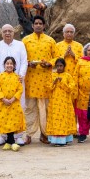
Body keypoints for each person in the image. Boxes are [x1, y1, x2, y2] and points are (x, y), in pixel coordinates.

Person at [0, 24, 28, 146]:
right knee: (2, 109)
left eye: (10, 31)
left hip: (16, 82)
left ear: (14, 32)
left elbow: (24, 62)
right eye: (5, 31)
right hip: (1, 83)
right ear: (1, 33)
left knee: (18, 110)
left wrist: (21, 75)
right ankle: (3, 135)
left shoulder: (20, 45)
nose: (7, 33)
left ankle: (18, 136)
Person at [22, 15, 57, 144]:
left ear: (44, 26)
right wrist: (27, 63)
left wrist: (49, 63)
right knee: (30, 108)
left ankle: (45, 134)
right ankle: (28, 135)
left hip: (45, 80)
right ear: (32, 26)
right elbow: (21, 58)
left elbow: (57, 58)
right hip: (30, 80)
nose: (38, 25)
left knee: (46, 108)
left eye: (40, 23)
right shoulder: (25, 40)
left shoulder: (50, 40)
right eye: (35, 23)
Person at [0, 57, 26, 152]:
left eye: (11, 64)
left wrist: (12, 99)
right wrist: (3, 99)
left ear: (14, 65)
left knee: (13, 121)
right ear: (4, 65)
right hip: (3, 103)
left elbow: (20, 89)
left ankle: (10, 142)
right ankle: (10, 142)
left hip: (14, 104)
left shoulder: (17, 77)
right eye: (7, 63)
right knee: (5, 121)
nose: (9, 65)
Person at [46, 58, 77, 146]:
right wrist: (54, 82)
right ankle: (55, 140)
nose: (59, 68)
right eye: (57, 66)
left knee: (64, 119)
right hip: (54, 102)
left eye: (61, 66)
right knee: (55, 119)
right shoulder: (52, 75)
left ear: (64, 66)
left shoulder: (67, 76)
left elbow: (71, 88)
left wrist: (62, 82)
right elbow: (48, 88)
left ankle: (65, 139)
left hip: (65, 102)